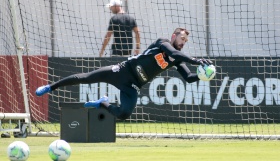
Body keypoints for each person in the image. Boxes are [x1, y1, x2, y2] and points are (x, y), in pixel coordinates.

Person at [35, 28, 212, 120]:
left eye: (186, 41)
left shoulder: (178, 60)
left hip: (133, 85)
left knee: (123, 114)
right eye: (182, 39)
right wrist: (197, 61)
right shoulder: (163, 42)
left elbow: (188, 78)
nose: (183, 43)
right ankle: (51, 87)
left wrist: (203, 76)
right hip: (122, 71)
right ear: (174, 36)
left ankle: (102, 103)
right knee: (86, 78)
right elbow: (173, 53)